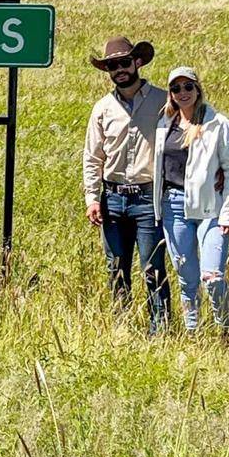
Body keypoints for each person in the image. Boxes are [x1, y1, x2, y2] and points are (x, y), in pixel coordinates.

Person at [82, 36, 171, 334]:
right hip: (113, 199)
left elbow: (189, 133)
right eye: (112, 66)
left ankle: (160, 331)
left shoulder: (163, 101)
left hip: (148, 198)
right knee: (116, 268)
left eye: (123, 63)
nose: (118, 70)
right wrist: (92, 198)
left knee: (153, 268)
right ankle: (122, 328)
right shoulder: (103, 108)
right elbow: (93, 156)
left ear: (137, 62)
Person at [152, 66, 229, 336]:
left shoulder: (217, 124)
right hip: (174, 207)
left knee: (212, 277)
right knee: (187, 279)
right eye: (176, 88)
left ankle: (223, 330)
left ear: (197, 89)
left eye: (188, 86)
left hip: (209, 208)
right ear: (170, 94)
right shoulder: (165, 124)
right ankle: (193, 333)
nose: (183, 93)